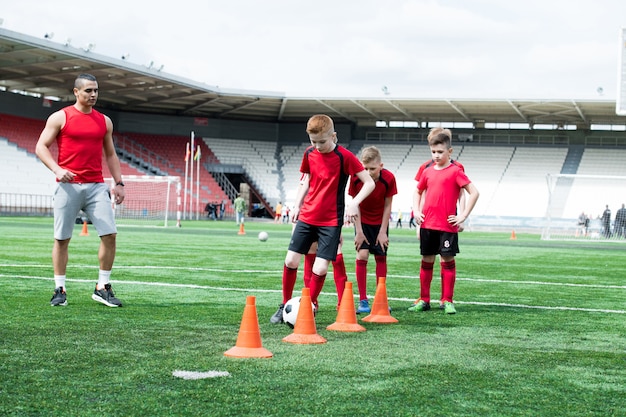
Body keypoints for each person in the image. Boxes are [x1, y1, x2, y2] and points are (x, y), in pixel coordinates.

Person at [270, 114, 375, 324]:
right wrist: (297, 205)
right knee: (291, 260)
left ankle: (309, 305)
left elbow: (369, 182)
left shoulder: (345, 157)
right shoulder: (309, 153)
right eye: (313, 141)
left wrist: (354, 203)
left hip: (330, 221)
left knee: (320, 268)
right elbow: (306, 180)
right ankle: (284, 306)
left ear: (333, 136)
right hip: (307, 216)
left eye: (322, 142)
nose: (317, 146)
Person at [35, 73, 125, 308]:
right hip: (68, 187)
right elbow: (40, 147)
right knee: (62, 239)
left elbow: (111, 154)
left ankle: (102, 287)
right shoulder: (60, 117)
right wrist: (57, 169)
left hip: (97, 186)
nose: (93, 94)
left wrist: (119, 182)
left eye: (96, 90)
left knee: (110, 235)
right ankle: (60, 288)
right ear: (76, 92)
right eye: (88, 91)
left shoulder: (104, 121)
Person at [408, 127, 479, 315]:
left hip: (447, 225)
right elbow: (417, 191)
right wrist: (416, 211)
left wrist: (462, 216)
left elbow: (473, 192)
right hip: (428, 224)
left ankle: (447, 300)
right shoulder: (427, 171)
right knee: (426, 260)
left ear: (450, 151)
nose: (436, 155)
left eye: (440, 152)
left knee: (447, 260)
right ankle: (424, 300)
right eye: (433, 152)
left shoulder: (456, 171)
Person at [349, 146, 397, 314]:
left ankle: (380, 298)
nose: (368, 172)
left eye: (372, 169)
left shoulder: (389, 178)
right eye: (365, 168)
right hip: (362, 222)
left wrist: (383, 231)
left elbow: (388, 205)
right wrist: (359, 231)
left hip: (380, 224)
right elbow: (355, 205)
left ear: (381, 166)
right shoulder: (355, 178)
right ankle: (363, 300)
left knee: (380, 256)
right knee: (362, 255)